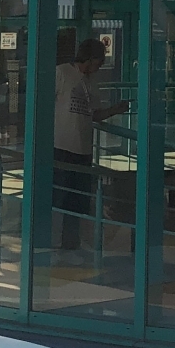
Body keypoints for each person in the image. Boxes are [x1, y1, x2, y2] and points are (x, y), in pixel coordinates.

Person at [54, 38, 131, 251]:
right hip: (61, 146)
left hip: (83, 149)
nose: (100, 66)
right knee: (61, 196)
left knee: (79, 200)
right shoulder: (62, 73)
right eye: (99, 61)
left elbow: (94, 114)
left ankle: (71, 241)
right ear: (90, 58)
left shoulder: (91, 83)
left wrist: (115, 110)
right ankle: (57, 240)